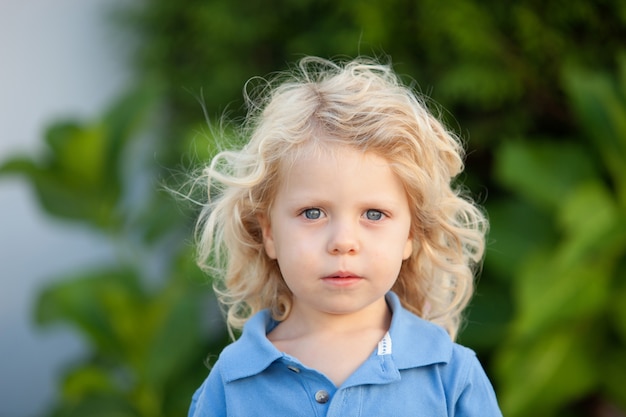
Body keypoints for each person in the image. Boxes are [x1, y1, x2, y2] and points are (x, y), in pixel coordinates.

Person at [188, 56, 502, 416]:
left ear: (410, 234)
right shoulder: (232, 382)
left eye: (373, 214)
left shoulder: (450, 375)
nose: (343, 241)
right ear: (269, 233)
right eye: (312, 213)